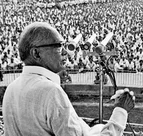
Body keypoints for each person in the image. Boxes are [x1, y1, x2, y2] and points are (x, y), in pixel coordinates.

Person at [2, 22, 135, 136]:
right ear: (36, 53)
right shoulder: (50, 92)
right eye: (58, 46)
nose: (65, 51)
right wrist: (120, 112)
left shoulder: (11, 88)